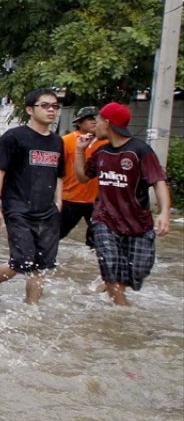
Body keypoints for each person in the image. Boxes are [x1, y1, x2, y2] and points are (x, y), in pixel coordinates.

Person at [74, 102, 171, 306]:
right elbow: (83, 177)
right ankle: (120, 309)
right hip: (104, 219)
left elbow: (158, 181)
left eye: (98, 120)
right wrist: (80, 151)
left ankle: (112, 291)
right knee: (111, 266)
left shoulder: (140, 150)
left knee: (137, 273)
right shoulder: (101, 152)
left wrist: (164, 213)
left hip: (138, 223)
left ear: (107, 123)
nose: (95, 124)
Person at [0, 89, 65, 304]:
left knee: (42, 266)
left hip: (47, 212)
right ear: (30, 110)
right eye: (45, 105)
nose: (51, 110)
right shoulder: (14, 137)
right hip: (18, 209)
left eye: (55, 106)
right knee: (22, 261)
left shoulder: (57, 142)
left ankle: (31, 309)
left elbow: (59, 175)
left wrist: (59, 203)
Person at [59, 106, 107, 247]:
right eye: (90, 119)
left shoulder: (106, 143)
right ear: (79, 122)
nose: (94, 121)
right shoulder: (66, 141)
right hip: (69, 198)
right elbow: (56, 170)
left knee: (97, 240)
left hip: (97, 201)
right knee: (53, 235)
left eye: (97, 118)